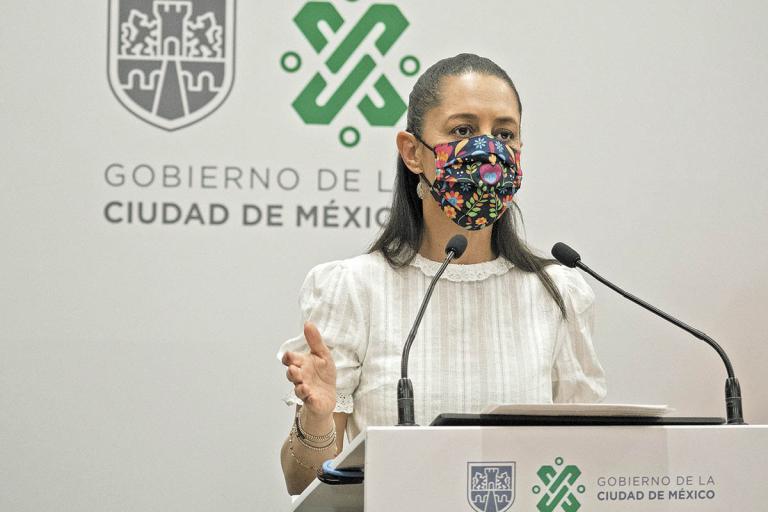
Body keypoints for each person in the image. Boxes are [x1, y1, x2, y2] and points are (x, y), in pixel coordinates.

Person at [277, 53, 607, 495]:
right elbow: (301, 480)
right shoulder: (354, 289)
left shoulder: (558, 292)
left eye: (504, 134)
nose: (488, 149)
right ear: (413, 152)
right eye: (463, 131)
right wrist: (317, 416)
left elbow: (588, 460)